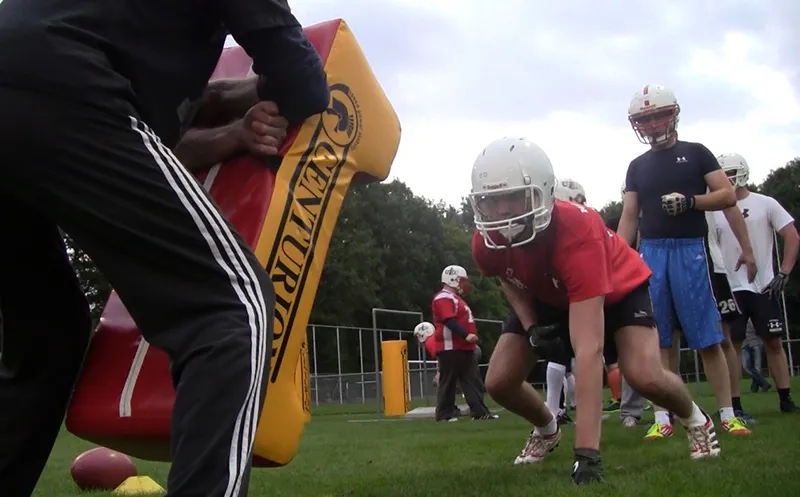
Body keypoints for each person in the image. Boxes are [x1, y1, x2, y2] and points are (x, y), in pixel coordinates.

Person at [0, 0, 331, 494]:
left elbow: (149, 139)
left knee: (47, 335)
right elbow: (304, 81)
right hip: (60, 79)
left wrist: (232, 131)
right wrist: (265, 90)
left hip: (29, 73)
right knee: (233, 306)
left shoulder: (130, 29)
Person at [472, 136, 721, 485]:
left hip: (620, 288)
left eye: (513, 197)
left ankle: (696, 418)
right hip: (547, 293)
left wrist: (587, 454)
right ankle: (547, 429)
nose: (502, 211)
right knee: (498, 381)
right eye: (493, 200)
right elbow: (508, 278)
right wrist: (531, 326)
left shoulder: (577, 230)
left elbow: (589, 352)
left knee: (643, 374)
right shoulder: (487, 241)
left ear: (543, 192)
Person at [616, 84, 755, 439]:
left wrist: (692, 202)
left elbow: (726, 195)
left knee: (708, 337)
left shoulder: (696, 153)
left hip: (690, 249)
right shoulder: (637, 166)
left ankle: (728, 413)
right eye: (644, 119)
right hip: (651, 253)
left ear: (673, 113)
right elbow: (630, 215)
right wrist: (617, 257)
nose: (651, 124)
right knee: (659, 340)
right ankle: (664, 419)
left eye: (657, 115)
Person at [709, 152, 799, 413]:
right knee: (732, 345)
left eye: (730, 174)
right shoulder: (714, 211)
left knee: (773, 341)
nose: (726, 180)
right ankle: (733, 404)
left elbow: (791, 235)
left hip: (764, 284)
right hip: (731, 286)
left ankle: (785, 399)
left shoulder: (765, 203)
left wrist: (784, 272)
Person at [430, 266, 495, 421]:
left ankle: (479, 412)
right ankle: (444, 414)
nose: (465, 284)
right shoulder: (443, 297)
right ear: (453, 278)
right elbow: (449, 320)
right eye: (462, 280)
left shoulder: (455, 298)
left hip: (463, 347)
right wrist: (466, 335)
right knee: (449, 381)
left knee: (472, 381)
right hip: (450, 347)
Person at [741, 320, 772, 393]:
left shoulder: (752, 318)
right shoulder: (739, 319)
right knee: (746, 366)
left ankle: (754, 388)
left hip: (756, 343)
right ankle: (764, 383)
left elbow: (759, 330)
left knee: (757, 367)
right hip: (744, 344)